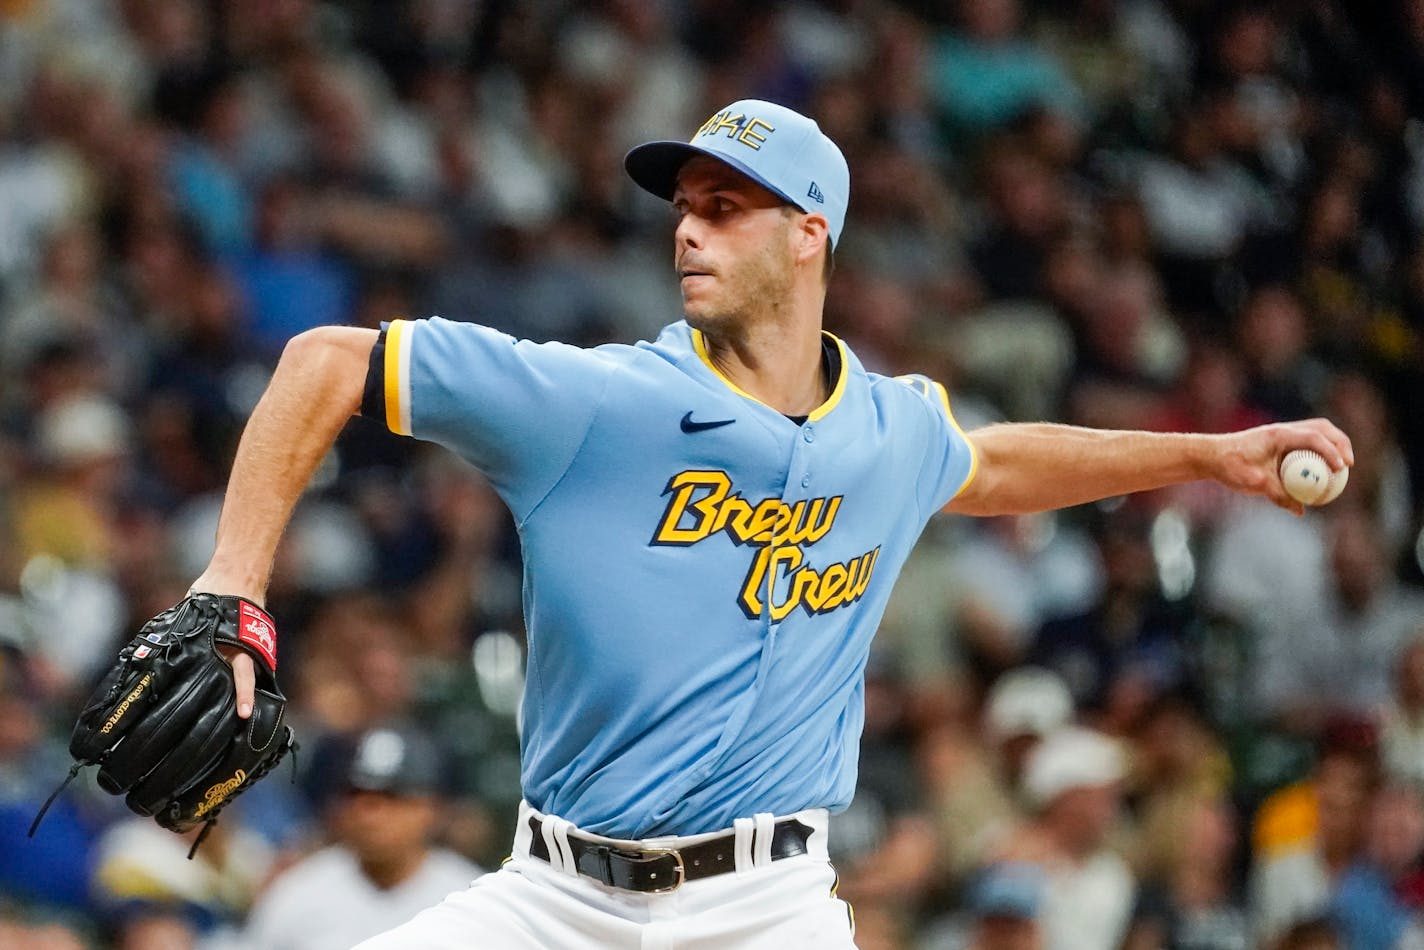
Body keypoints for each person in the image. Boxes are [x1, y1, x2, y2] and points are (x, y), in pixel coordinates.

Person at [190, 99, 1352, 947]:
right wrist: (228, 589)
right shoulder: (599, 402)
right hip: (552, 899)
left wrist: (1206, 452)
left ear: (810, 233)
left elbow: (994, 462)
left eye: (726, 207)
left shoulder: (889, 431)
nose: (688, 231)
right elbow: (325, 360)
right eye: (684, 209)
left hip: (765, 908)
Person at [240, 724, 482, 950]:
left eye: (392, 797)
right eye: (357, 796)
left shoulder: (471, 899)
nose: (370, 816)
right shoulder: (295, 894)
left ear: (432, 808)